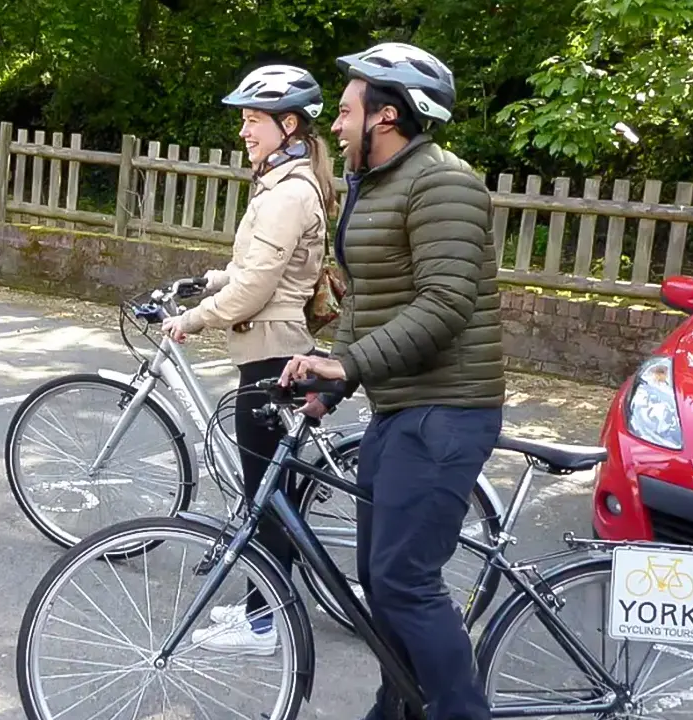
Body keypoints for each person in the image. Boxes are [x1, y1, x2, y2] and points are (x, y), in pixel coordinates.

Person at [279, 43, 506, 720]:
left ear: (385, 116)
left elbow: (445, 304)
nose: (337, 124)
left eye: (347, 111)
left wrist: (350, 364)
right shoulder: (375, 185)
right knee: (381, 581)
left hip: (447, 411)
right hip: (400, 410)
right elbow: (367, 301)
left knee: (406, 580)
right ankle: (397, 710)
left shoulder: (445, 183)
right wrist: (332, 385)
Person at [159, 63, 338, 655]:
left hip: (272, 354)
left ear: (289, 125)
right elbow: (253, 269)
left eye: (253, 119)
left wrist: (191, 319)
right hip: (269, 345)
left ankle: (265, 623)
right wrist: (209, 280)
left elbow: (257, 289)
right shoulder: (282, 184)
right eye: (243, 119)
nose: (244, 130)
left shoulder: (288, 194)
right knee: (268, 490)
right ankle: (263, 608)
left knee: (268, 495)